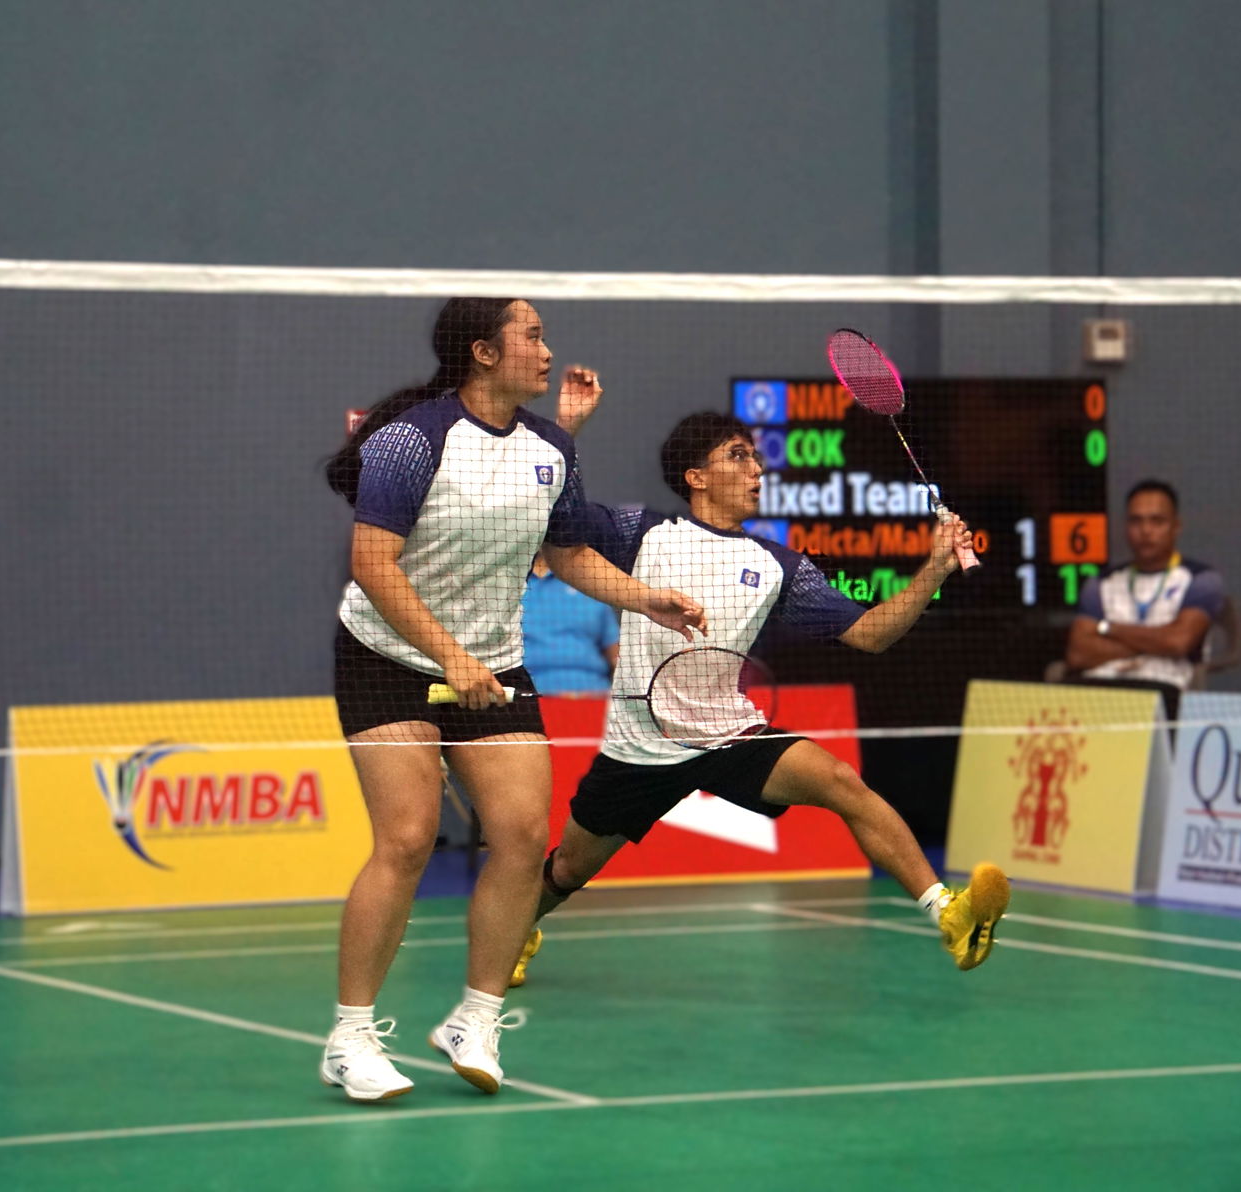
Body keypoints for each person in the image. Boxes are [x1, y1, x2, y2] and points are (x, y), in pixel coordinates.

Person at [319, 297, 706, 1103]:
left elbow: (565, 553)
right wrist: (448, 657)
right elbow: (371, 563)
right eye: (530, 335)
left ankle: (476, 1018)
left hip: (489, 663)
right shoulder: (409, 442)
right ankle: (350, 1035)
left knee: (526, 836)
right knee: (408, 838)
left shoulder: (550, 449)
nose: (547, 349)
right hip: (385, 656)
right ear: (482, 353)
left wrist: (643, 599)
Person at [507, 411, 1010, 988]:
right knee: (569, 867)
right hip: (641, 747)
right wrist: (566, 427)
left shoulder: (777, 567)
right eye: (738, 456)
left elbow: (871, 634)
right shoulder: (641, 532)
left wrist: (935, 568)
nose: (757, 469)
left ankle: (950, 912)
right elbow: (557, 516)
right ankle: (519, 928)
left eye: (755, 457)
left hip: (730, 734)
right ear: (696, 477)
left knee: (844, 784)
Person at [1063, 480, 1226, 711]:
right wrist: (1157, 639)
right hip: (1100, 687)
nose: (1146, 531)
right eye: (1136, 521)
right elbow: (1078, 654)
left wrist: (1109, 629)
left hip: (1163, 688)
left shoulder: (1201, 579)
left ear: (1176, 527)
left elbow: (1178, 642)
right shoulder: (1100, 583)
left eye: (1157, 521)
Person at [521, 553, 619, 694]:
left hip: (592, 698)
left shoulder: (590, 581)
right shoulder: (509, 585)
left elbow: (614, 656)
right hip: (527, 699)